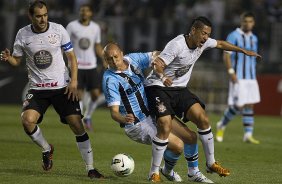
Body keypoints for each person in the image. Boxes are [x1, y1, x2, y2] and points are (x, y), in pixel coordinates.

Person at [144, 16, 261, 179]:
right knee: (164, 125)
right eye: (203, 33)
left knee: (203, 119)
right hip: (158, 88)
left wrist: (242, 51)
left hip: (179, 89)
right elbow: (157, 63)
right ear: (193, 31)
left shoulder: (204, 42)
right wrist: (163, 78)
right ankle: (154, 173)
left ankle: (211, 163)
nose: (206, 38)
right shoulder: (177, 45)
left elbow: (220, 43)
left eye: (208, 34)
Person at [0, 0, 103, 179]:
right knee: (27, 120)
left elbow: (72, 58)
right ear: (30, 16)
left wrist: (74, 82)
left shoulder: (58, 30)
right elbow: (17, 61)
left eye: (45, 15)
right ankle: (47, 148)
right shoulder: (22, 34)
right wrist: (9, 58)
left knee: (77, 125)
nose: (43, 19)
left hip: (62, 87)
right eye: (38, 16)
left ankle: (90, 168)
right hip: (37, 89)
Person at [102, 43, 213, 183]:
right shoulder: (110, 80)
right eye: (109, 59)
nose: (113, 61)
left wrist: (167, 57)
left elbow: (156, 54)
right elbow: (114, 113)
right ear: (105, 60)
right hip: (137, 124)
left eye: (115, 57)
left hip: (152, 113)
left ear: (122, 54)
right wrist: (123, 119)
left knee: (190, 137)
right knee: (178, 145)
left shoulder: (132, 60)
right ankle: (155, 174)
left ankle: (191, 173)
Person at [216, 12, 260, 144]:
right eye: (245, 21)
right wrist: (231, 72)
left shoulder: (254, 38)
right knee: (239, 105)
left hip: (251, 77)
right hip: (238, 75)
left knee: (250, 104)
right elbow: (226, 55)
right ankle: (221, 125)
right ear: (241, 22)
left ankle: (248, 134)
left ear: (253, 23)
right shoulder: (233, 35)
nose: (248, 24)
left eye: (250, 21)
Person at [66, 3, 104, 131]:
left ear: (90, 13)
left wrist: (104, 59)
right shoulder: (71, 26)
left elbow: (97, 46)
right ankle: (81, 119)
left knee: (95, 94)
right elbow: (64, 45)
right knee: (79, 95)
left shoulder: (95, 27)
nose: (84, 13)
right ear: (79, 12)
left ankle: (88, 116)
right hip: (77, 66)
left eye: (86, 11)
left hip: (91, 65)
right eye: (82, 11)